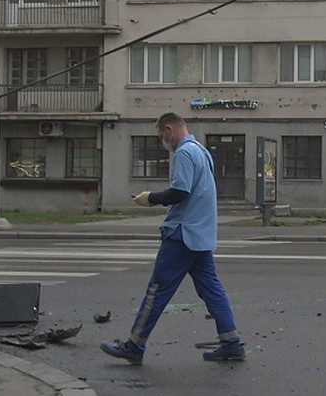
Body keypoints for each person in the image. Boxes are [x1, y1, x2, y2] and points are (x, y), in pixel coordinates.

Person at [101, 112, 244, 364]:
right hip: (200, 235)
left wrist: (149, 198)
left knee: (157, 292)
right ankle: (231, 342)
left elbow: (179, 192)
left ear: (169, 129)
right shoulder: (202, 151)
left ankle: (134, 346)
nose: (162, 142)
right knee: (212, 289)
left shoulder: (185, 153)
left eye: (161, 136)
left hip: (182, 235)